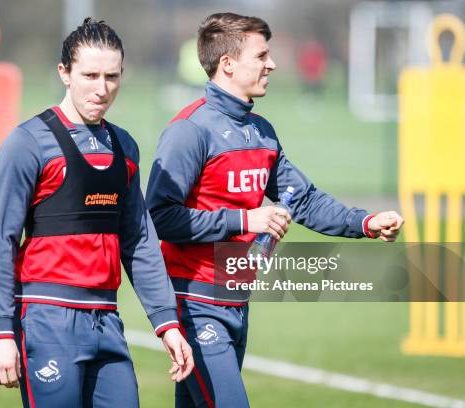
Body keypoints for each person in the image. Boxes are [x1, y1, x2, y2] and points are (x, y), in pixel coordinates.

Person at [146, 12, 404, 408]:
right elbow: (160, 216)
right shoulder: (189, 130)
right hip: (194, 304)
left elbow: (302, 199)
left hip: (236, 298)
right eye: (261, 55)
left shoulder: (261, 131)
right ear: (228, 63)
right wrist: (244, 219)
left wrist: (365, 222)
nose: (272, 64)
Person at [0, 18, 193, 408]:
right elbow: (1, 239)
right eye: (90, 75)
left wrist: (167, 323)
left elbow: (139, 241)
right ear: (64, 73)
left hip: (107, 321)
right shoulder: (27, 143)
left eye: (112, 76)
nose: (102, 89)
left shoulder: (124, 147)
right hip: (46, 321)